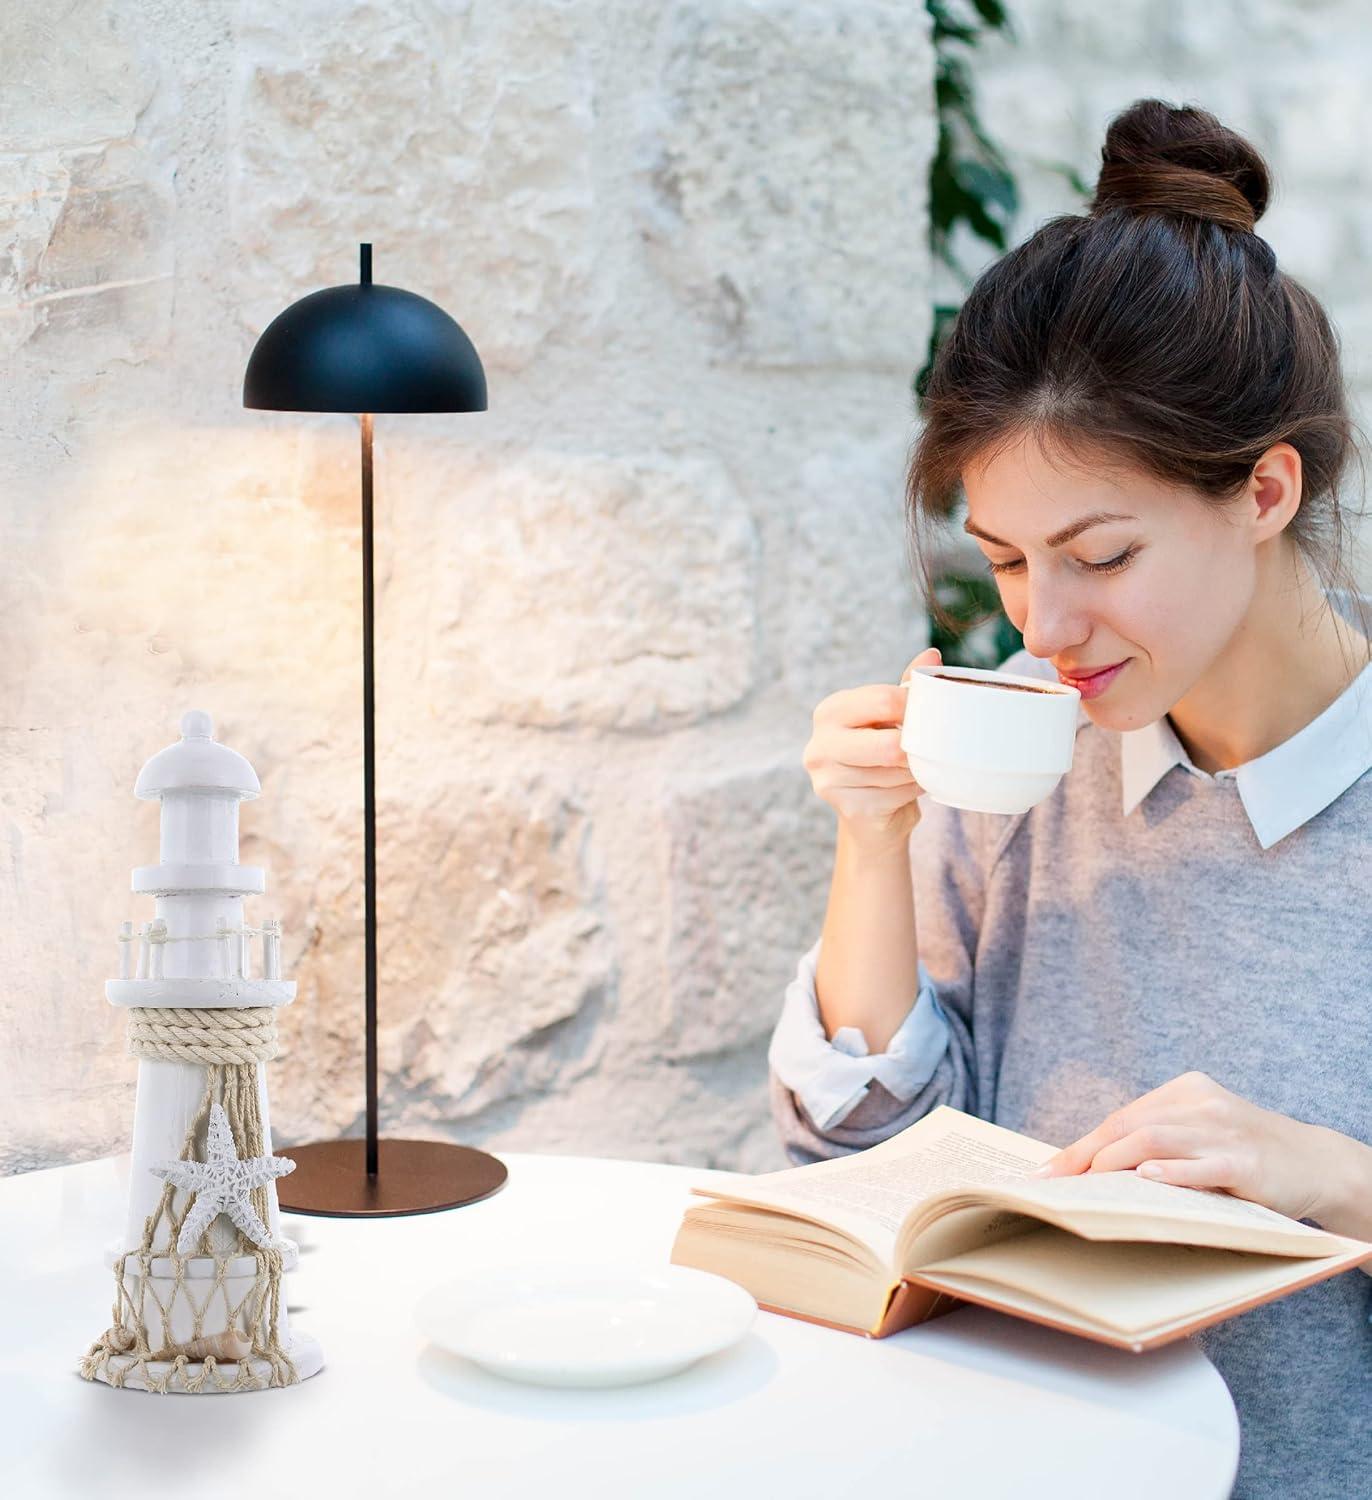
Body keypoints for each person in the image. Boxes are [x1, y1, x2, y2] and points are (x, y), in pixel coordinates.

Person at [767, 99, 1372, 1500]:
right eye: (1008, 559)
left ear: (1266, 490)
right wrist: (875, 842)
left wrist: (1323, 1173)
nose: (1045, 622)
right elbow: (863, 1159)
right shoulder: (1026, 755)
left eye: (1099, 553)